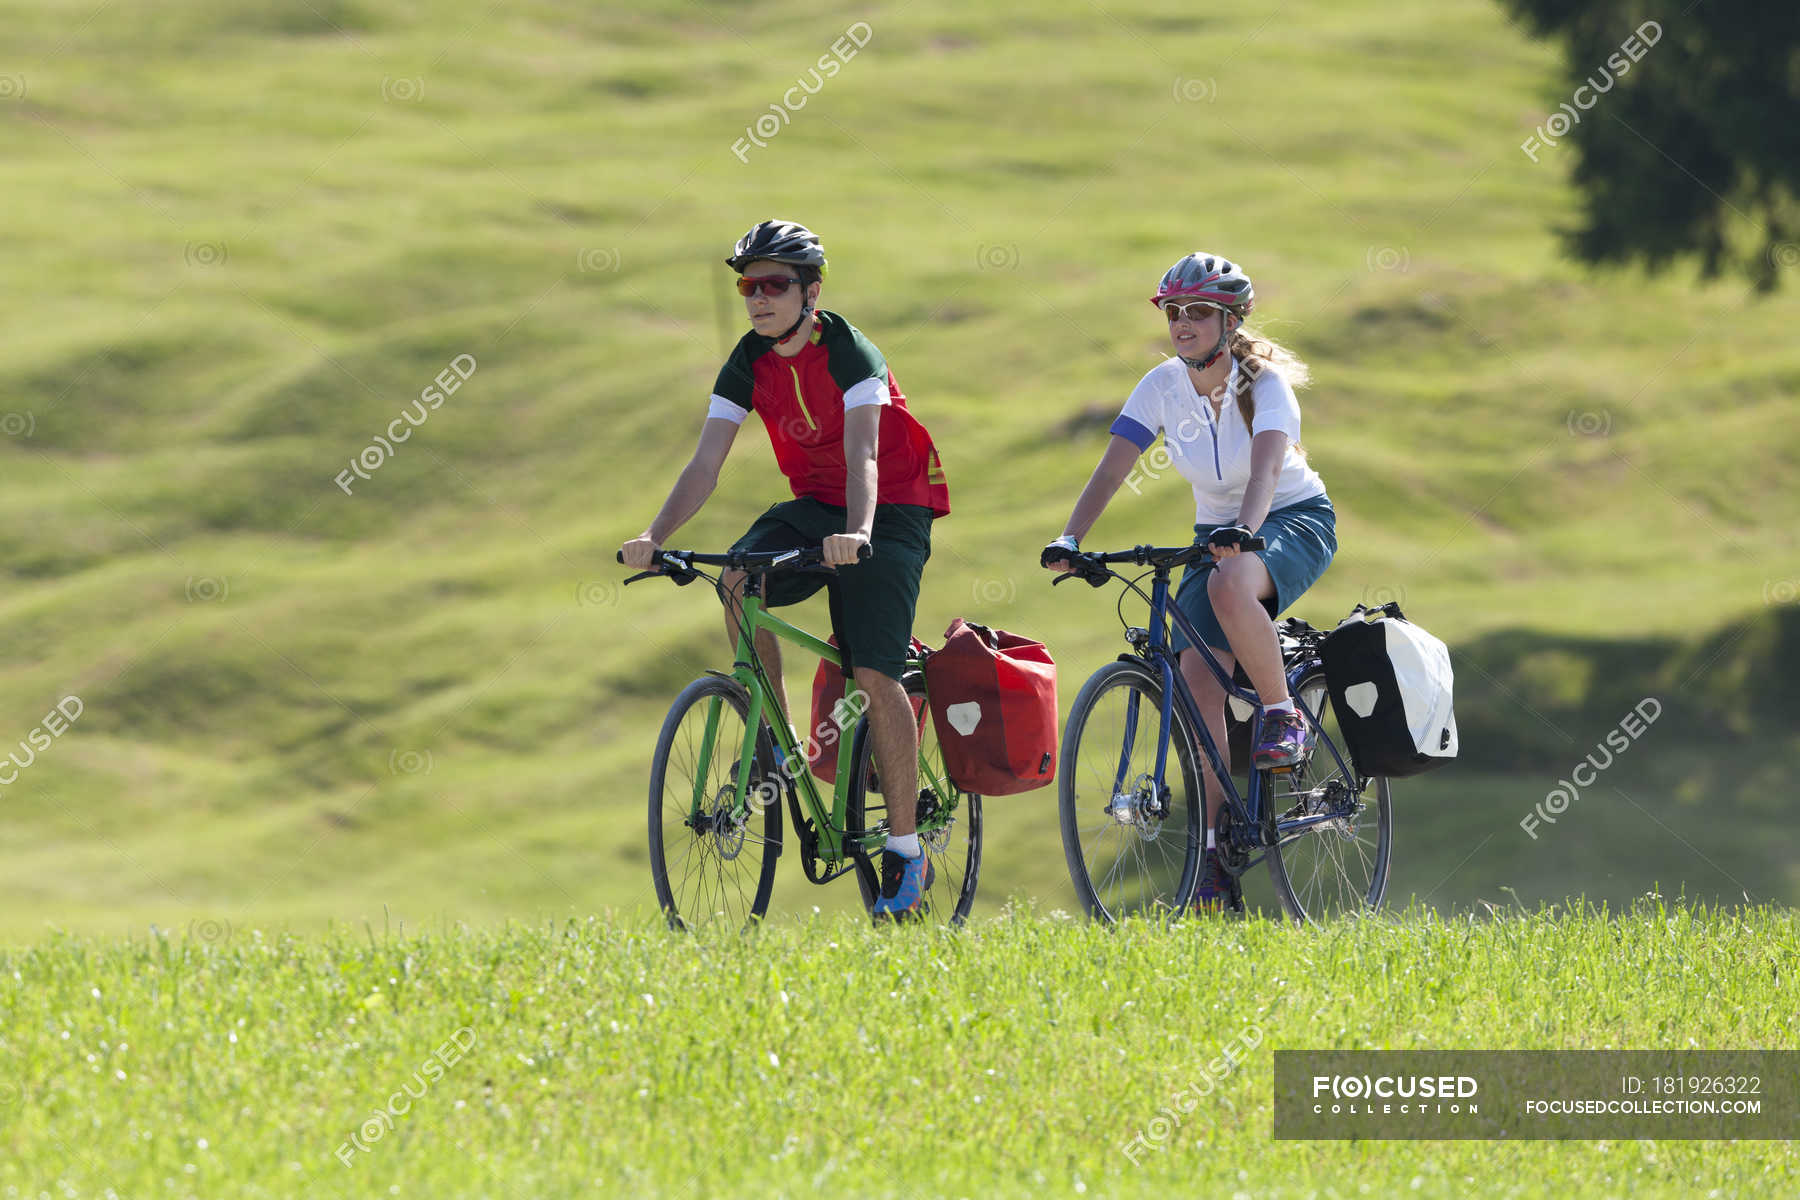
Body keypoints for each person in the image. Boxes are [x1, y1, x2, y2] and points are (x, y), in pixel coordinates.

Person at [620, 220, 951, 920]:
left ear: (811, 292)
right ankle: (768, 736)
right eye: (749, 285)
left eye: (775, 284)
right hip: (813, 506)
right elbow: (705, 463)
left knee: (873, 672)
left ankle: (904, 850)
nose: (759, 298)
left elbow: (865, 456)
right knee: (738, 575)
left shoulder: (851, 353)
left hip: (887, 510)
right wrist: (654, 535)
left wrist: (858, 532)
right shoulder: (748, 360)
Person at [1040, 253, 1337, 913]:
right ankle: (1212, 859)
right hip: (1219, 534)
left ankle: (1283, 712)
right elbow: (1113, 467)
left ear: (1230, 320)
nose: (1182, 323)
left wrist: (1243, 533)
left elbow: (1262, 476)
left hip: (1289, 518)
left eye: (1198, 311)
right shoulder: (1161, 386)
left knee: (1232, 586)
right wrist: (1071, 538)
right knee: (1196, 685)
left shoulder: (1266, 386)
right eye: (1174, 312)